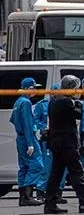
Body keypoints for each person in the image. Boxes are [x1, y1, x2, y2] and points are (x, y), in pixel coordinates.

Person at [43, 75, 84, 214]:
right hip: (67, 143)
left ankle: (50, 203)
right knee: (76, 172)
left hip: (56, 142)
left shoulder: (54, 101)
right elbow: (77, 115)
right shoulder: (66, 102)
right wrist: (78, 103)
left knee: (56, 173)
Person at [10, 77, 44, 206]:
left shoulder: (18, 102)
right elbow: (28, 124)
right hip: (27, 138)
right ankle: (28, 196)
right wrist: (30, 143)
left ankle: (22, 197)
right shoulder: (26, 103)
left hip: (20, 138)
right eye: (33, 88)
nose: (35, 90)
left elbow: (13, 119)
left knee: (24, 167)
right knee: (37, 165)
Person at [33, 83, 67, 204]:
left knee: (62, 168)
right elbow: (35, 120)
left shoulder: (64, 103)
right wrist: (44, 128)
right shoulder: (42, 105)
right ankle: (40, 190)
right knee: (47, 166)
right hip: (48, 138)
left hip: (61, 138)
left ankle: (58, 192)